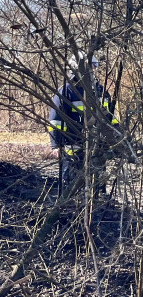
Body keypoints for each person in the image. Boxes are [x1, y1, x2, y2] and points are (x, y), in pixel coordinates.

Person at [47, 52, 120, 202]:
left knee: (98, 182)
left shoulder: (100, 91)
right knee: (72, 185)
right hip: (73, 147)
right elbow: (56, 121)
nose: (92, 71)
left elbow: (110, 118)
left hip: (98, 147)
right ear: (76, 68)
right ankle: (70, 208)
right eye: (89, 67)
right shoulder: (66, 91)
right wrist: (56, 145)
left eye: (94, 67)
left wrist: (116, 138)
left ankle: (98, 205)